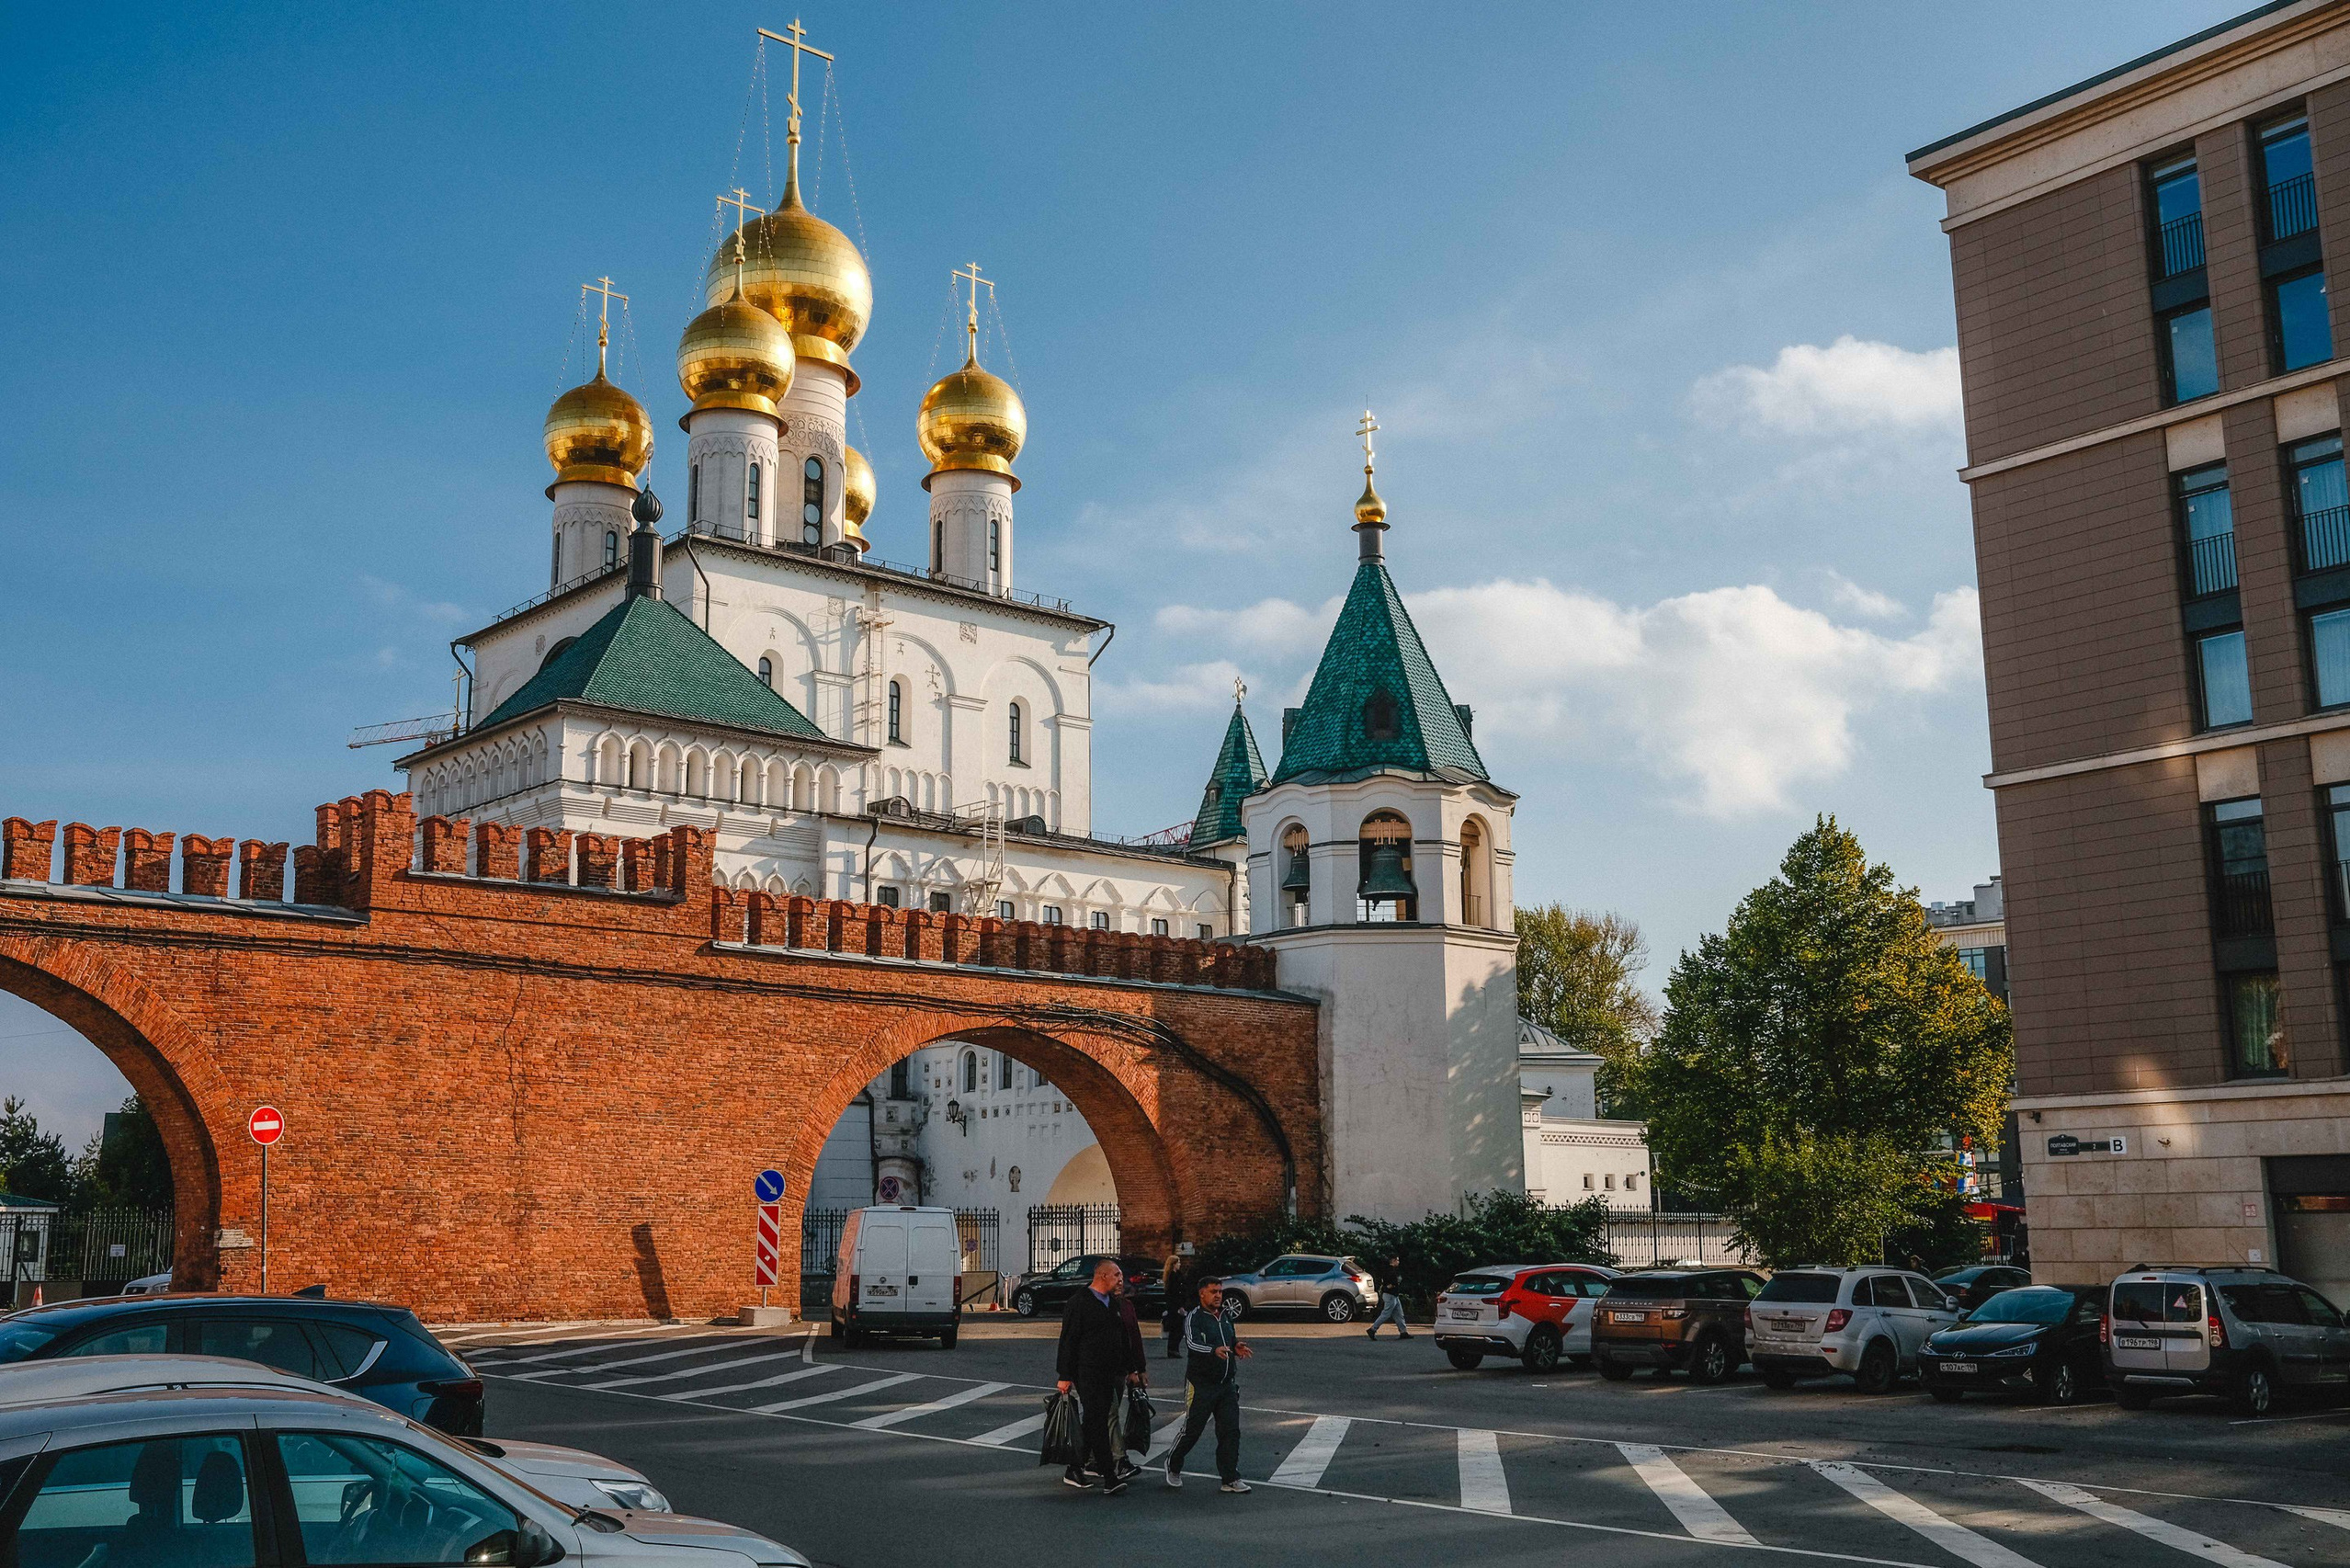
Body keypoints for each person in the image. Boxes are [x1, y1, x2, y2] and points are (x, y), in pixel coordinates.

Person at [1056, 1257, 1147, 1494]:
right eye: (1117, 1275)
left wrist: (1132, 1369)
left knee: (1092, 1422)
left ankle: (1074, 1468)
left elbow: (1122, 1339)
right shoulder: (1080, 1302)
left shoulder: (1112, 1303)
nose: (1121, 1280)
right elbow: (1068, 1340)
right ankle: (1110, 1477)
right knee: (1098, 1422)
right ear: (1103, 1276)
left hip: (1110, 1372)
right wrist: (1065, 1375)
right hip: (1087, 1372)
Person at [1164, 1277, 1252, 1494]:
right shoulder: (1194, 1317)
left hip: (1226, 1385)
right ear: (1202, 1293)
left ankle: (1230, 1478)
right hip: (1201, 1384)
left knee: (1230, 1431)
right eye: (1214, 1292)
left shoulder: (1226, 1315)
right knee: (1192, 1430)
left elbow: (1230, 1340)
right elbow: (1192, 1344)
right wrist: (1213, 1350)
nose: (1218, 1296)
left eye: (1220, 1292)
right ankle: (1173, 1464)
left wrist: (1236, 1346)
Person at [1365, 1254, 1411, 1339]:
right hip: (1390, 1295)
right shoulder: (1390, 1271)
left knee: (1399, 1314)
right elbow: (1392, 1283)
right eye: (1397, 1260)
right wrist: (1393, 1285)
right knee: (1386, 1314)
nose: (1398, 1262)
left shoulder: (1389, 1270)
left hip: (1394, 1295)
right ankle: (1372, 1329)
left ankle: (1403, 1332)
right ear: (1393, 1261)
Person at [1161, 1253, 1188, 1359]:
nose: (1180, 1264)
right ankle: (1173, 1350)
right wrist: (1179, 1306)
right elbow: (1174, 1293)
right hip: (1174, 1306)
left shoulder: (1178, 1275)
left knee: (1178, 1329)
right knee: (1177, 1329)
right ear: (1173, 1264)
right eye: (1178, 1263)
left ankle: (1173, 1349)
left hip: (1177, 1305)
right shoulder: (1172, 1277)